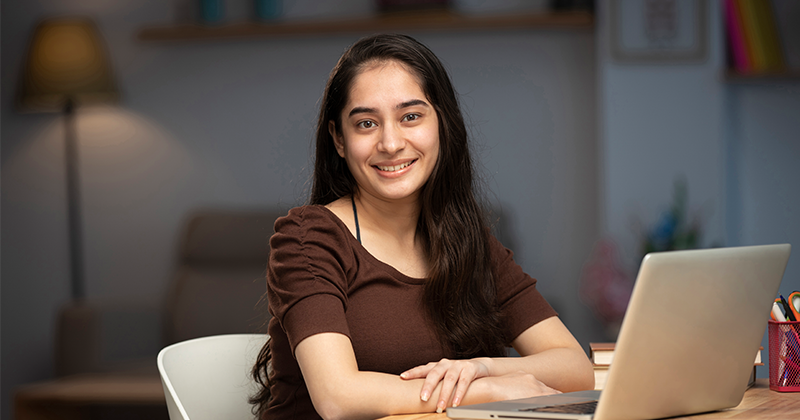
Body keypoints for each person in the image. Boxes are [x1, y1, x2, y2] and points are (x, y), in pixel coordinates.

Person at [250, 33, 594, 420]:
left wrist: (481, 368)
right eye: (366, 123)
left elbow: (575, 368)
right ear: (339, 140)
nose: (391, 142)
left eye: (410, 116)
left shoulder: (468, 239)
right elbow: (339, 397)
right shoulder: (308, 239)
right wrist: (486, 391)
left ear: (442, 123)